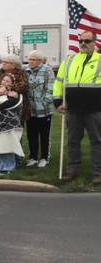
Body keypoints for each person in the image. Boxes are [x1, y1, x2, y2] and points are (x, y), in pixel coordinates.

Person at [53, 30, 101, 184]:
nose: (83, 44)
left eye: (87, 41)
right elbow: (59, 82)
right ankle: (72, 170)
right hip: (72, 109)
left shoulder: (100, 60)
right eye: (81, 41)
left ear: (95, 43)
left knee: (97, 142)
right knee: (73, 141)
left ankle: (97, 173)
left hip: (95, 110)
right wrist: (58, 102)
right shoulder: (69, 60)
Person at [25, 50, 55, 168]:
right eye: (30, 59)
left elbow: (50, 88)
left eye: (33, 60)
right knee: (31, 134)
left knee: (44, 135)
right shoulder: (26, 70)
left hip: (44, 110)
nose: (31, 62)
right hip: (30, 109)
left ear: (40, 61)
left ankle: (44, 157)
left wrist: (45, 102)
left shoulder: (47, 70)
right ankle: (32, 157)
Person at [0, 54, 30, 121]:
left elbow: (24, 86)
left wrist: (6, 89)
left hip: (16, 108)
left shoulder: (21, 72)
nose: (3, 64)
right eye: (3, 62)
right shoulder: (0, 72)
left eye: (6, 62)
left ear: (13, 65)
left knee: (15, 128)